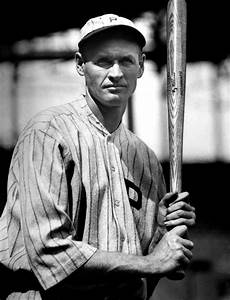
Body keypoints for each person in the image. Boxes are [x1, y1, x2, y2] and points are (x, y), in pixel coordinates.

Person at [0, 13, 196, 300]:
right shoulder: (48, 132)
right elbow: (50, 251)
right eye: (103, 61)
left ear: (141, 66)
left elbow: (154, 266)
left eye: (126, 61)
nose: (116, 72)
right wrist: (152, 262)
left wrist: (167, 230)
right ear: (80, 65)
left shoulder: (146, 158)